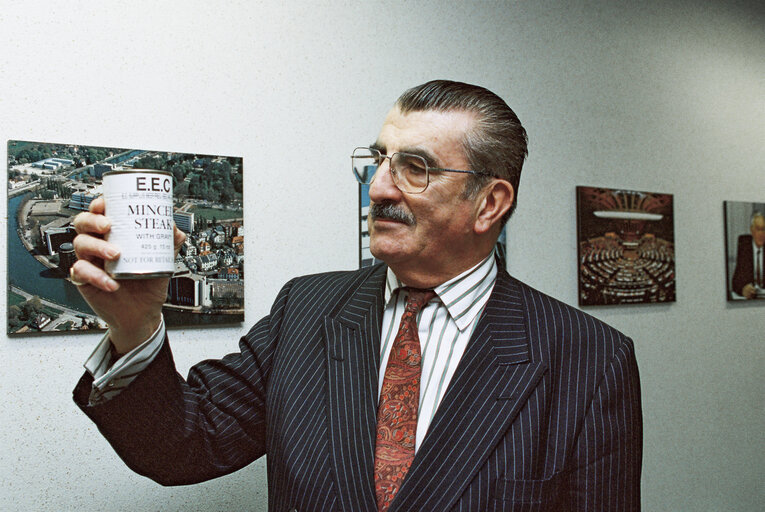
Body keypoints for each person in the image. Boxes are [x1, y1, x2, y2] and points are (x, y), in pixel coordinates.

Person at [71, 80, 642, 511]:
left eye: (414, 168)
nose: (378, 187)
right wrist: (135, 324)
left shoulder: (588, 357)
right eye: (377, 160)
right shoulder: (307, 310)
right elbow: (182, 448)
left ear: (489, 203)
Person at [731, 211, 765, 299]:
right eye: (758, 229)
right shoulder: (745, 247)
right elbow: (735, 282)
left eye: (764, 229)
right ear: (752, 230)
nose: (761, 234)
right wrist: (743, 289)